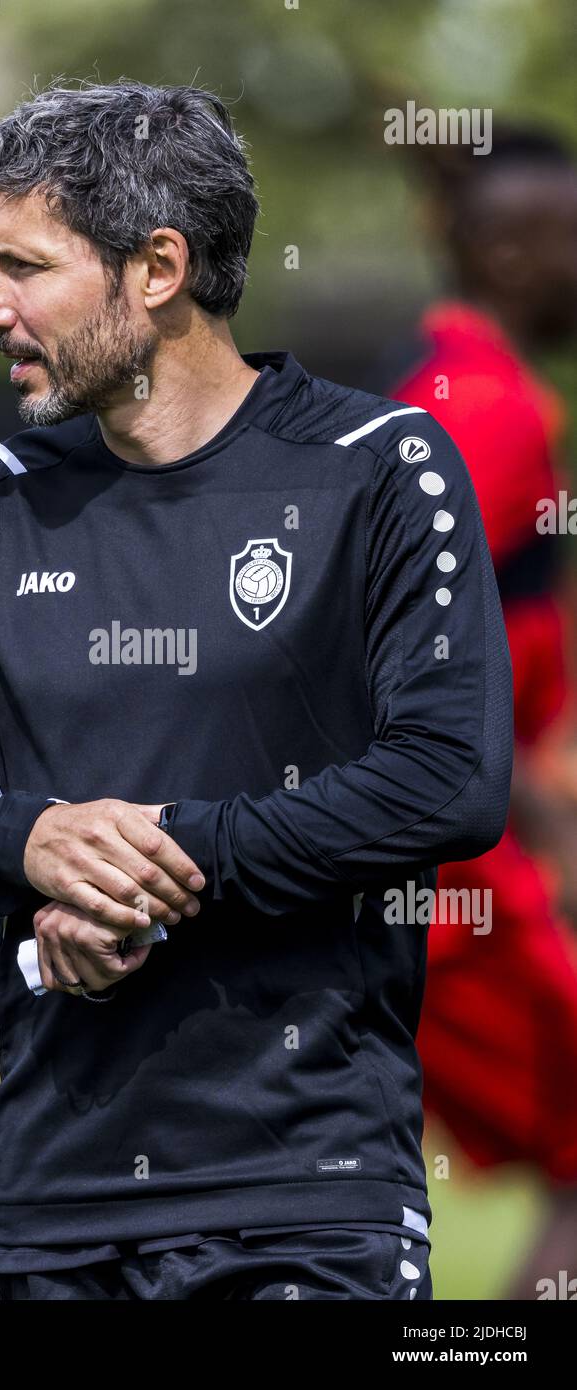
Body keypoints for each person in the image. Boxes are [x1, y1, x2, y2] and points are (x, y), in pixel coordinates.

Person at [0, 80, 512, 1300]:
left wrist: (162, 859)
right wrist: (37, 841)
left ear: (156, 267)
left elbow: (448, 781)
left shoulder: (380, 469)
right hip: (58, 1202)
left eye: (22, 266)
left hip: (311, 1194)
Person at [388, 128, 577, 1300]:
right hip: (453, 886)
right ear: (510, 252)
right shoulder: (487, 412)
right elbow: (389, 652)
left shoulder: (463, 393)